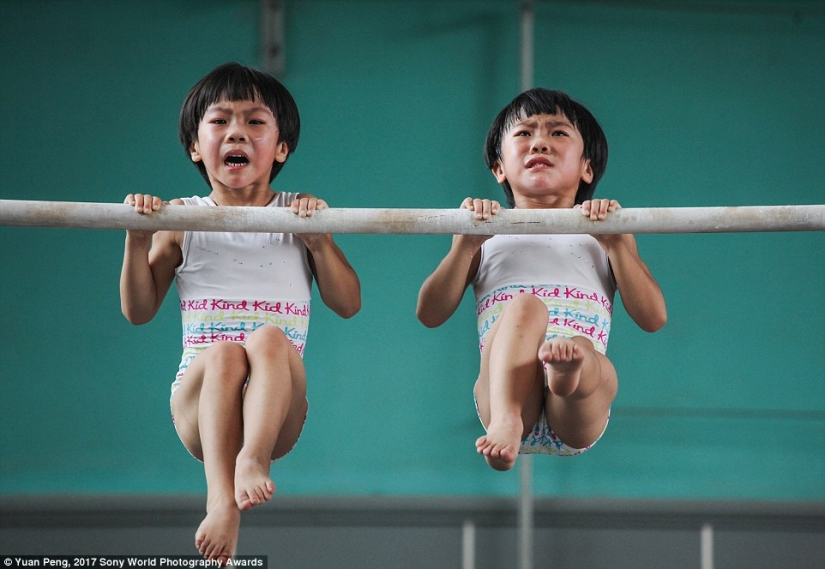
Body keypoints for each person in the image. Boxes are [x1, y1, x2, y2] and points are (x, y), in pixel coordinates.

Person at [119, 62, 361, 563]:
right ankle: (220, 499)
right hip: (199, 406)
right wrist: (136, 238)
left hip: (278, 411)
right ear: (195, 146)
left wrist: (320, 243)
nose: (237, 132)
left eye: (255, 122)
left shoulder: (300, 215)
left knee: (269, 338)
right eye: (220, 121)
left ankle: (252, 457)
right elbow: (139, 311)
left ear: (282, 147)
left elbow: (347, 303)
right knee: (226, 352)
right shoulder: (181, 219)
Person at [416, 88, 666, 472]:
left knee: (583, 351)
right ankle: (510, 417)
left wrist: (616, 244)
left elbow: (653, 318)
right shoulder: (485, 234)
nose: (540, 143)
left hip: (579, 410)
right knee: (525, 307)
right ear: (499, 167)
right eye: (524, 133)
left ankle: (566, 373)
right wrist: (464, 245)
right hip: (505, 399)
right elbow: (430, 313)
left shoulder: (604, 234)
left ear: (587, 167)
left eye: (558, 133)